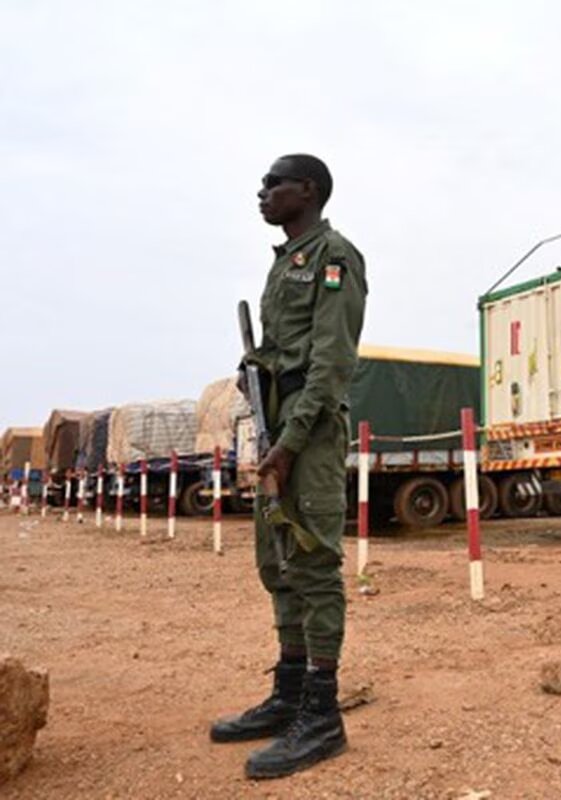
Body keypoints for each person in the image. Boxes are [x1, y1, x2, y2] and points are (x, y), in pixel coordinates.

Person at [210, 154, 367, 780]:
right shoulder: (285, 264)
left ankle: (322, 716)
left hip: (310, 434)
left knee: (313, 563)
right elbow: (281, 355)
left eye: (274, 182)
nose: (263, 191)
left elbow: (331, 363)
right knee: (277, 561)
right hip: (277, 429)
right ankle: (288, 694)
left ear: (309, 190)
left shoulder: (335, 256)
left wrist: (291, 441)